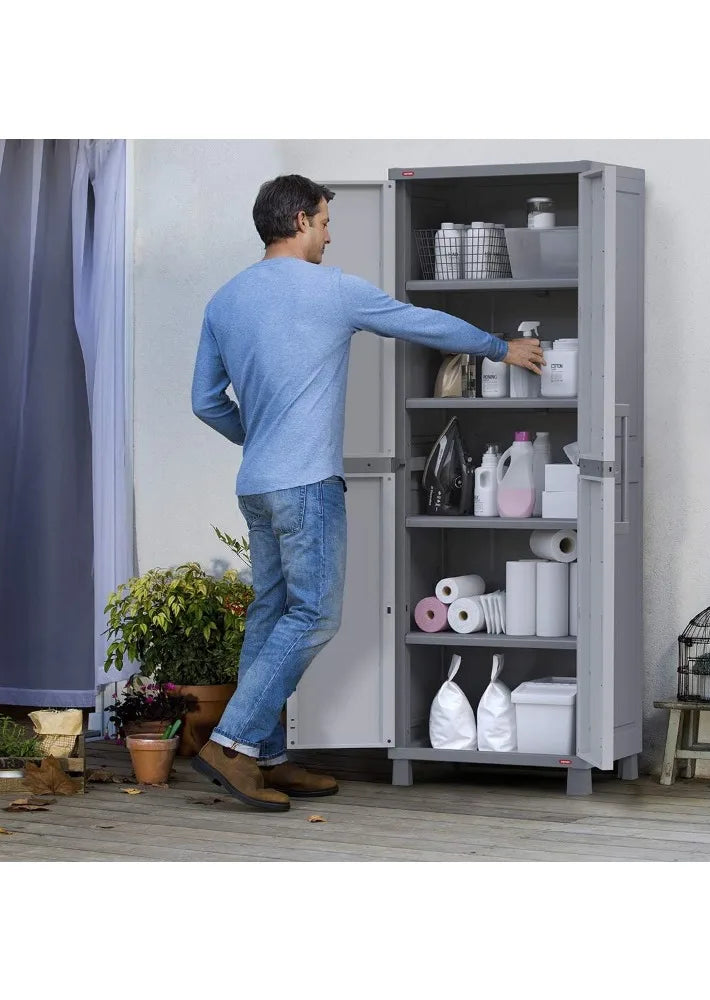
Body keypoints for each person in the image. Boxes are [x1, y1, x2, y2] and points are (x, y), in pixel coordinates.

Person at [190, 174, 543, 811]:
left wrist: (257, 437)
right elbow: (419, 322)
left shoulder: (225, 300)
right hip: (306, 487)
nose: (328, 234)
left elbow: (204, 402)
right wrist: (500, 347)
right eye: (324, 222)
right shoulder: (332, 290)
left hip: (258, 485)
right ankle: (232, 745)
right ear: (299, 221)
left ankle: (267, 757)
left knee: (270, 616)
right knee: (315, 615)